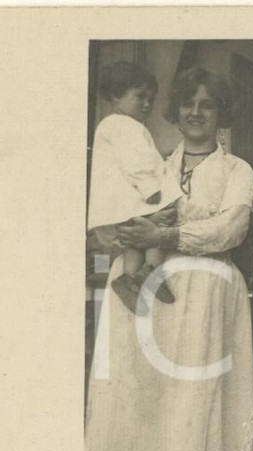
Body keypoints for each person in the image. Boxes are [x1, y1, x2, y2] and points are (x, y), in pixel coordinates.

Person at [84, 68, 253, 451]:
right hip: (145, 298)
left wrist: (167, 233)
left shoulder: (237, 170)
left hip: (206, 299)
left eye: (207, 104)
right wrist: (130, 232)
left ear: (221, 113)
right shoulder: (153, 164)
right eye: (188, 103)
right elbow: (115, 215)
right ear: (175, 111)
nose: (196, 112)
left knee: (197, 407)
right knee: (143, 406)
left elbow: (230, 228)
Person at [87, 61, 183, 315]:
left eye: (151, 99)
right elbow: (137, 161)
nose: (147, 104)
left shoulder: (111, 124)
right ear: (116, 96)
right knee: (157, 231)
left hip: (124, 203)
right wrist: (150, 188)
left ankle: (129, 279)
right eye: (140, 97)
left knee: (135, 242)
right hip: (136, 196)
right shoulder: (125, 125)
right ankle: (152, 272)